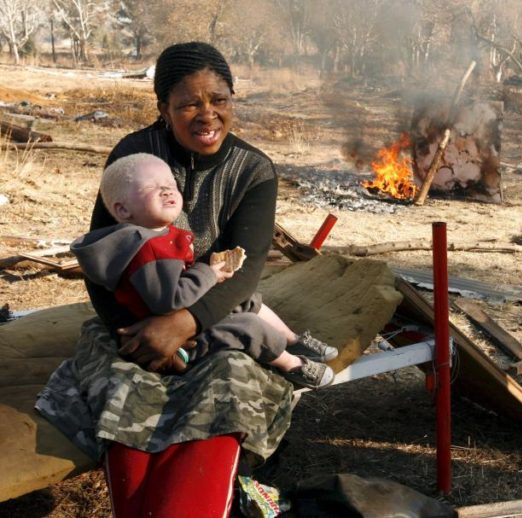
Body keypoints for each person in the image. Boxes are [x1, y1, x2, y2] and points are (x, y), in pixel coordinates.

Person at [36, 42, 327, 517]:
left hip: (216, 317)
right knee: (121, 388)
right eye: (189, 103)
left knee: (228, 390)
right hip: (133, 322)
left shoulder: (252, 170)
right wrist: (130, 334)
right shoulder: (134, 155)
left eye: (219, 100)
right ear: (163, 109)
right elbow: (101, 256)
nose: (207, 114)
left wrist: (184, 324)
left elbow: (244, 267)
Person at [70, 152, 336, 389]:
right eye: (152, 188)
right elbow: (170, 301)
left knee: (245, 298)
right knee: (247, 326)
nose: (166, 191)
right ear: (123, 210)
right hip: (176, 343)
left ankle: (291, 339)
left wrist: (206, 274)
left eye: (170, 184)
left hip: (176, 318)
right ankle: (292, 364)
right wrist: (209, 273)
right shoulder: (149, 249)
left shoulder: (153, 235)